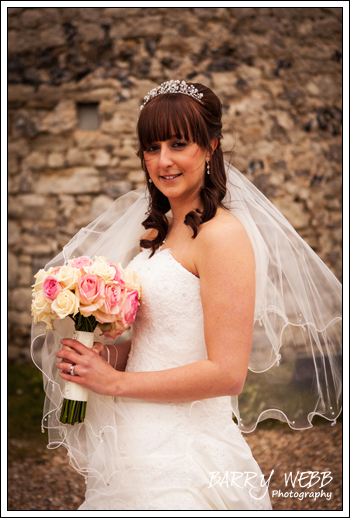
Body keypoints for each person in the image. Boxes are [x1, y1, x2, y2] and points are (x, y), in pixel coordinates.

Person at [32, 80, 342, 511]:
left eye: (179, 144)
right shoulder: (157, 232)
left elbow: (227, 373)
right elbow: (157, 343)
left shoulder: (223, 237)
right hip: (136, 433)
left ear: (211, 146)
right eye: (152, 147)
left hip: (185, 449)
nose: (163, 161)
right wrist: (104, 359)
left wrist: (116, 382)